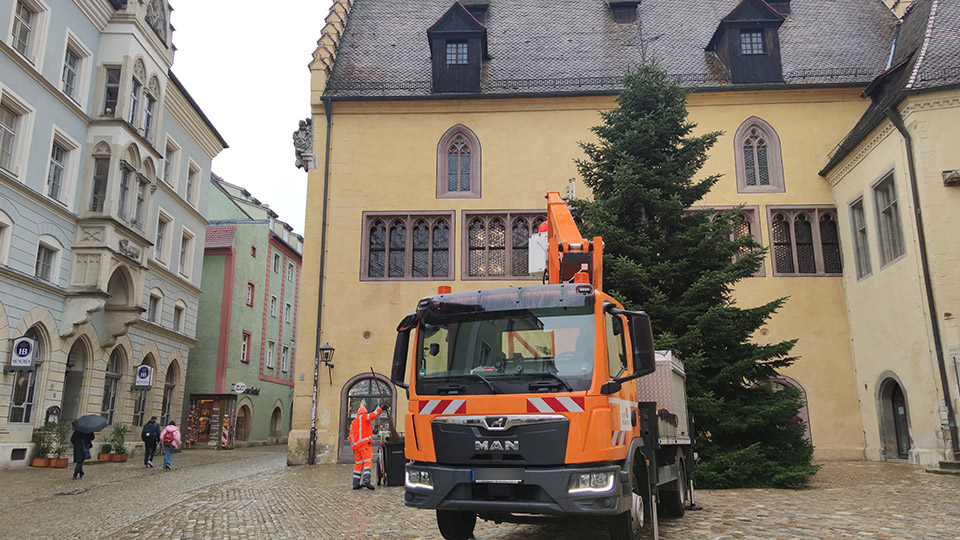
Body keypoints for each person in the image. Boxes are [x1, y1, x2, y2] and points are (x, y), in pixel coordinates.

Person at [348, 402, 388, 490]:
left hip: (356, 447)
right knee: (367, 462)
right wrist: (381, 409)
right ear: (365, 412)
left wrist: (354, 446)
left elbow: (350, 437)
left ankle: (356, 483)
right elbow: (373, 415)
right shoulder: (364, 417)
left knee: (358, 464)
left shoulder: (353, 423)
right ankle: (366, 481)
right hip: (364, 445)